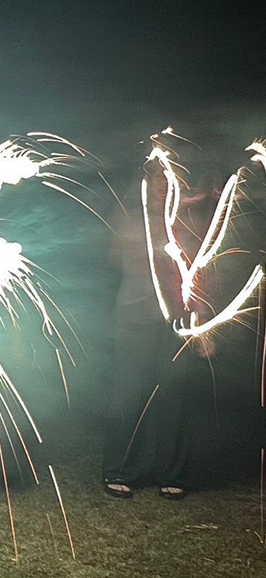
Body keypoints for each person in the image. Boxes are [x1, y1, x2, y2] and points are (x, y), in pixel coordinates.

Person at [101, 165, 218, 500]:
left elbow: (199, 277)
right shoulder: (129, 219)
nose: (161, 190)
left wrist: (203, 326)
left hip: (177, 327)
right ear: (145, 185)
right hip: (133, 321)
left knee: (175, 397)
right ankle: (120, 470)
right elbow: (115, 260)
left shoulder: (188, 224)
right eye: (155, 184)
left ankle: (173, 473)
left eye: (167, 185)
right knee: (128, 394)